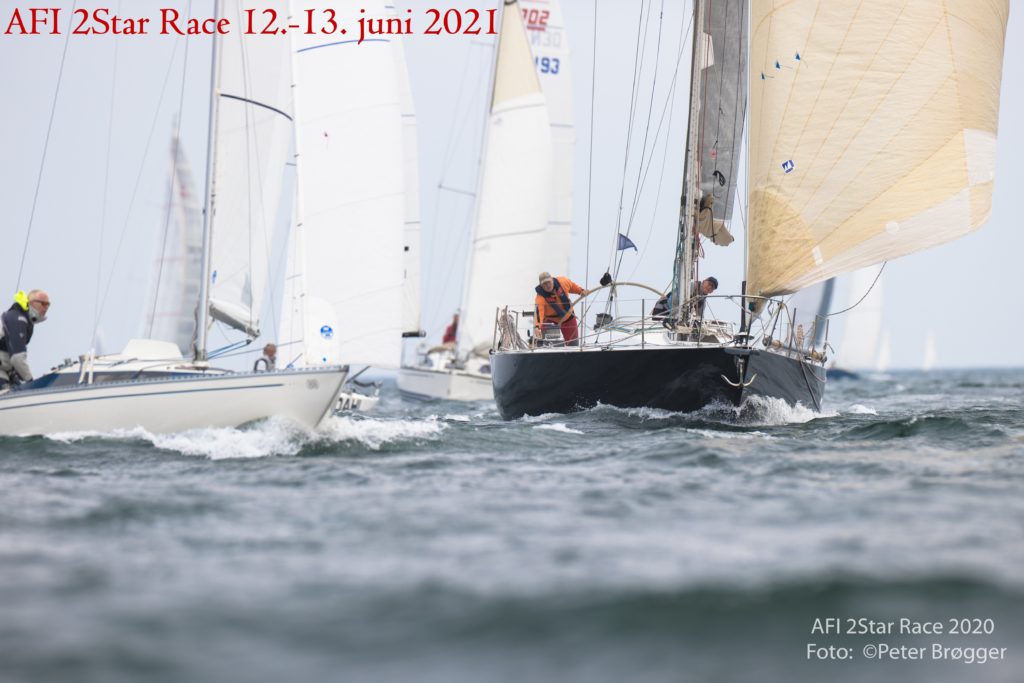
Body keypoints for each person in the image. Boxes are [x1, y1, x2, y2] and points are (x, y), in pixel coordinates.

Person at [0, 290, 50, 390]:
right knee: (20, 392)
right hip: (3, 370)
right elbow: (17, 358)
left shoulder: (23, 319)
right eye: (43, 303)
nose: (46, 308)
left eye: (48, 305)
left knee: (19, 389)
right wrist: (32, 382)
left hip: (6, 371)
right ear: (30, 302)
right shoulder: (18, 319)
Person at [534, 272, 590, 346]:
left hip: (567, 316)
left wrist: (581, 291)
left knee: (573, 345)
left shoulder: (563, 282)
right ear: (541, 286)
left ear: (552, 280)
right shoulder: (540, 298)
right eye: (544, 284)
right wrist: (537, 327)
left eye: (549, 282)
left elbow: (572, 286)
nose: (547, 285)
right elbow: (538, 314)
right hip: (551, 320)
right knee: (548, 345)